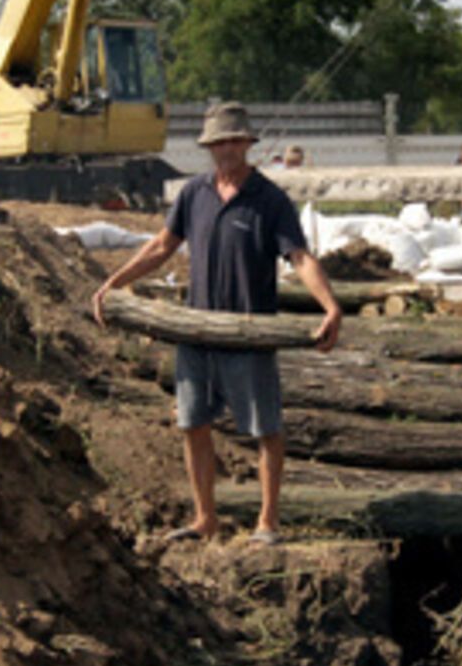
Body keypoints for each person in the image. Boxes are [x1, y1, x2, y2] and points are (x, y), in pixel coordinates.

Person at [92, 101, 343, 545]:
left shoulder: (269, 199)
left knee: (265, 427)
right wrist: (113, 282)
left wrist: (330, 306)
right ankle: (204, 517)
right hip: (196, 333)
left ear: (247, 144)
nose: (227, 148)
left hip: (249, 334)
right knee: (192, 424)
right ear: (209, 147)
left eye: (234, 140)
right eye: (219, 142)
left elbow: (299, 257)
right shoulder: (194, 194)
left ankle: (267, 521)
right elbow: (161, 247)